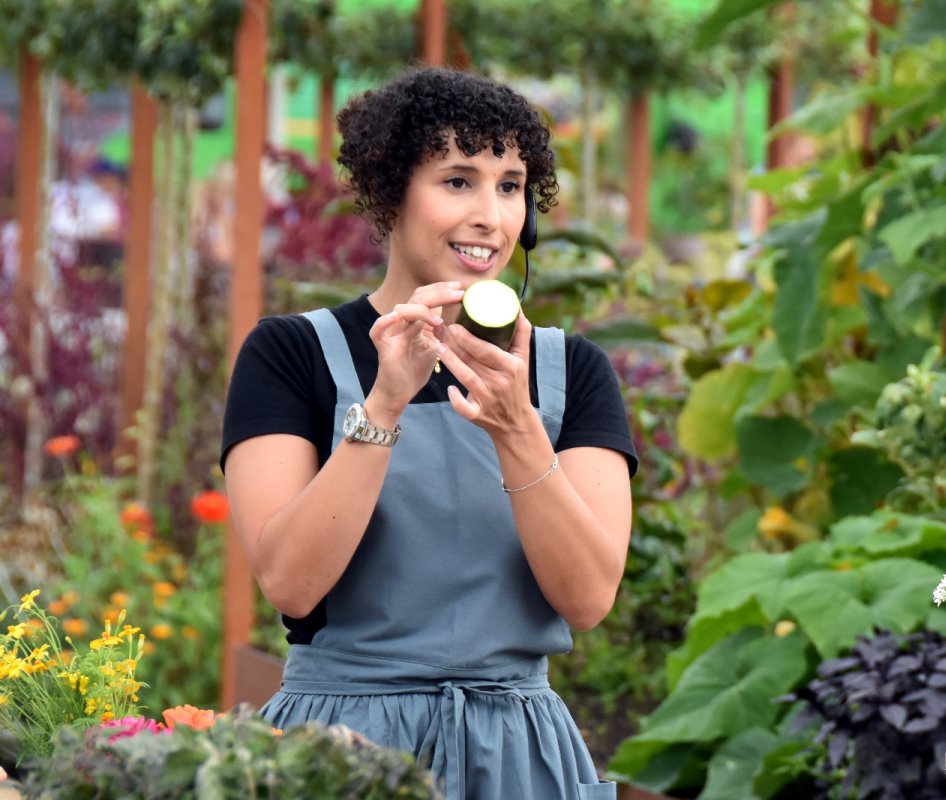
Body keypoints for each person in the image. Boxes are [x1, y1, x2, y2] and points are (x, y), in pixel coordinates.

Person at [221, 68, 637, 800]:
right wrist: (383, 404)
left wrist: (517, 429)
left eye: (510, 186)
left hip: (520, 758)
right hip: (341, 752)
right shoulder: (290, 354)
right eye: (457, 181)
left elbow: (588, 598)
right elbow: (290, 582)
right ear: (391, 195)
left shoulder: (572, 370)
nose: (490, 216)